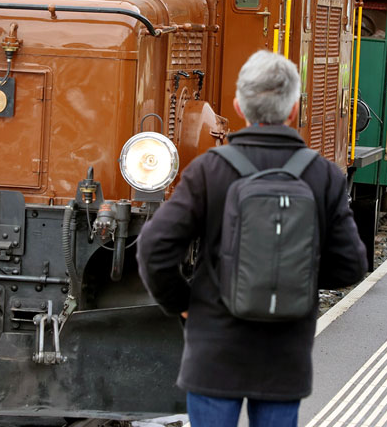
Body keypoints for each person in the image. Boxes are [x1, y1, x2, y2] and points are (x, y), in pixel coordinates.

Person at [136, 51, 367, 427]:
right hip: (284, 352)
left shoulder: (210, 169)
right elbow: (351, 264)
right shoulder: (323, 175)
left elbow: (153, 247)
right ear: (293, 110)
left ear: (238, 106)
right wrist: (292, 277)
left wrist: (184, 304)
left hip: (214, 348)